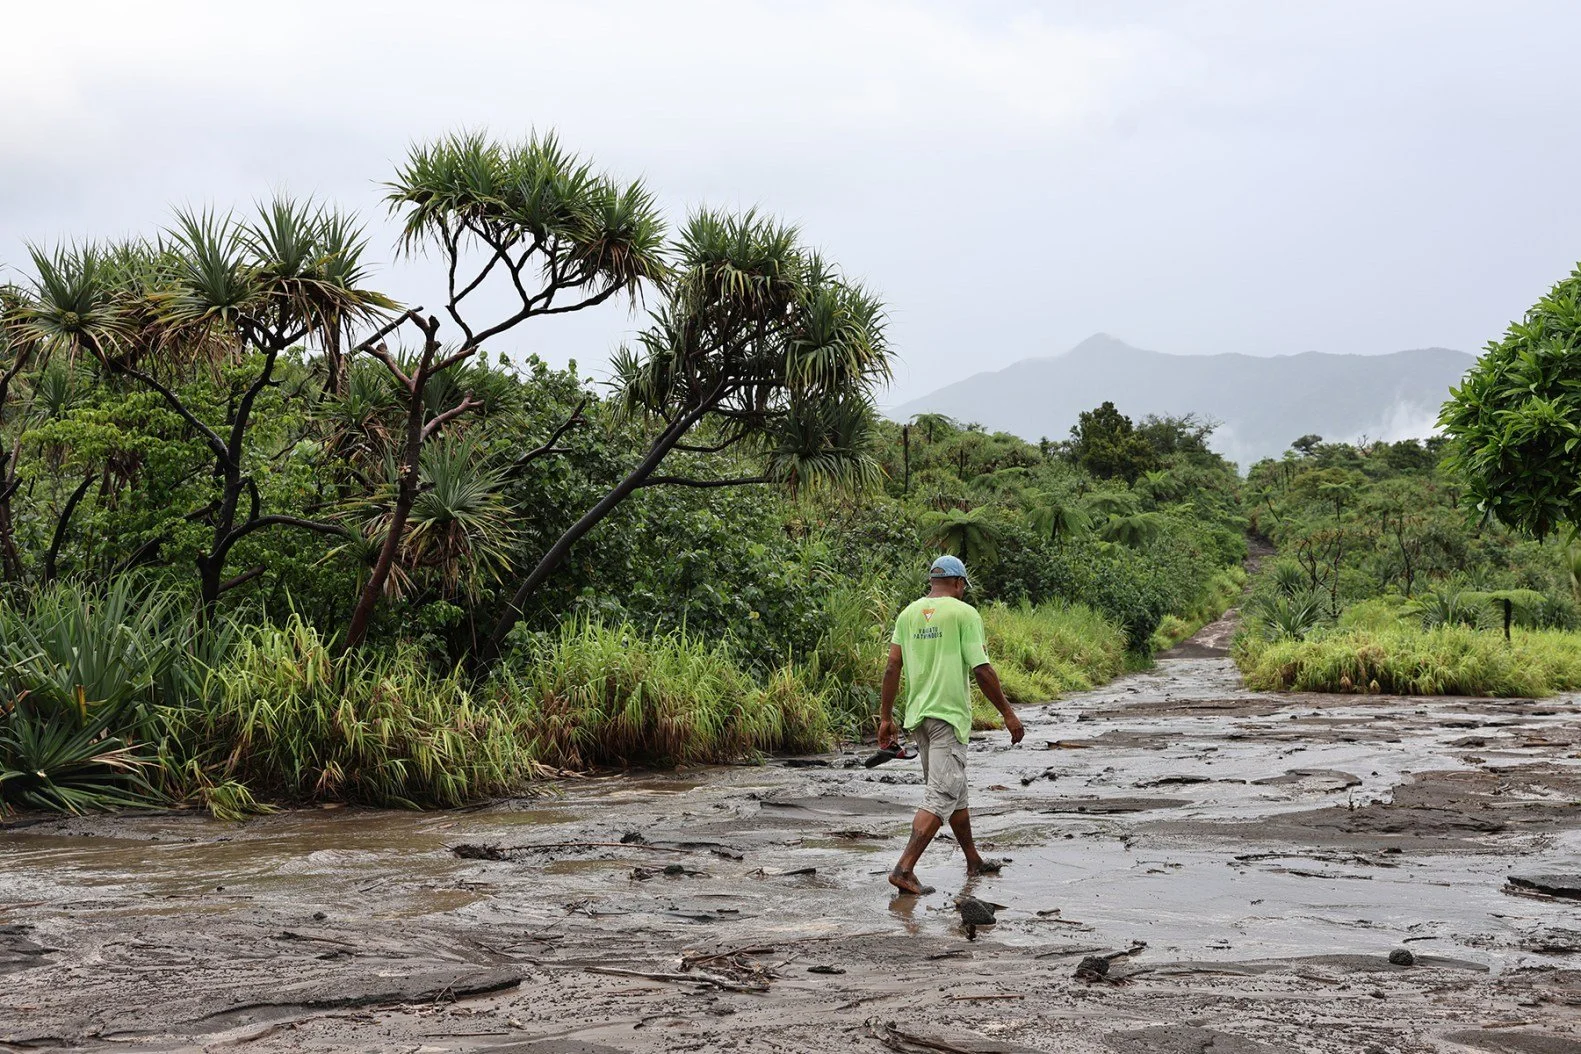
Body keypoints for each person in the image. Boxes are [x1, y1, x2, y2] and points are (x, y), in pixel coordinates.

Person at [878, 555, 1024, 895]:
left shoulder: (908, 614)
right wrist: (1008, 713)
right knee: (941, 793)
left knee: (954, 792)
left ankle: (972, 859)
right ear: (959, 584)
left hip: (919, 719)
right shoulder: (964, 613)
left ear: (933, 582)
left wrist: (886, 718)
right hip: (948, 716)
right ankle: (904, 868)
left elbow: (891, 668)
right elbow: (982, 668)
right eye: (962, 587)